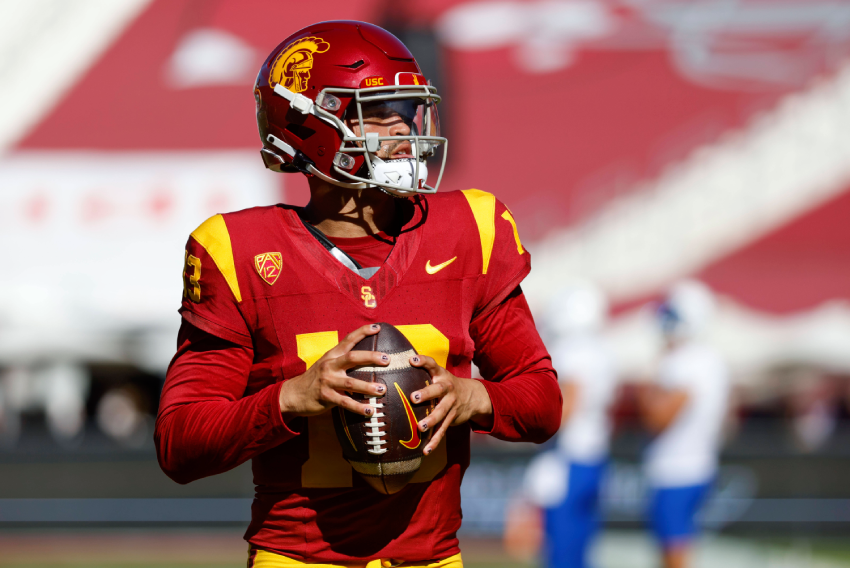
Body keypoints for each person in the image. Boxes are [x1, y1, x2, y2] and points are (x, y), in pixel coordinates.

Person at [154, 20, 561, 568]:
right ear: (309, 125)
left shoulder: (471, 229)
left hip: (433, 558)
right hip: (299, 559)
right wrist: (288, 399)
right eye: (379, 114)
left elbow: (542, 402)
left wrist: (475, 398)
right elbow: (180, 443)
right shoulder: (238, 250)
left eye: (409, 111)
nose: (406, 130)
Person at [522, 283, 617, 568]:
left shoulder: (572, 349)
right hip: (594, 457)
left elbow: (567, 407)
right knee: (581, 550)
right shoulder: (602, 350)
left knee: (561, 552)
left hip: (569, 460)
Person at [638, 280, 730, 568]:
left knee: (674, 549)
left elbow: (658, 418)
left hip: (677, 469)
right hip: (695, 465)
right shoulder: (710, 359)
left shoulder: (686, 361)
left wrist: (646, 386)